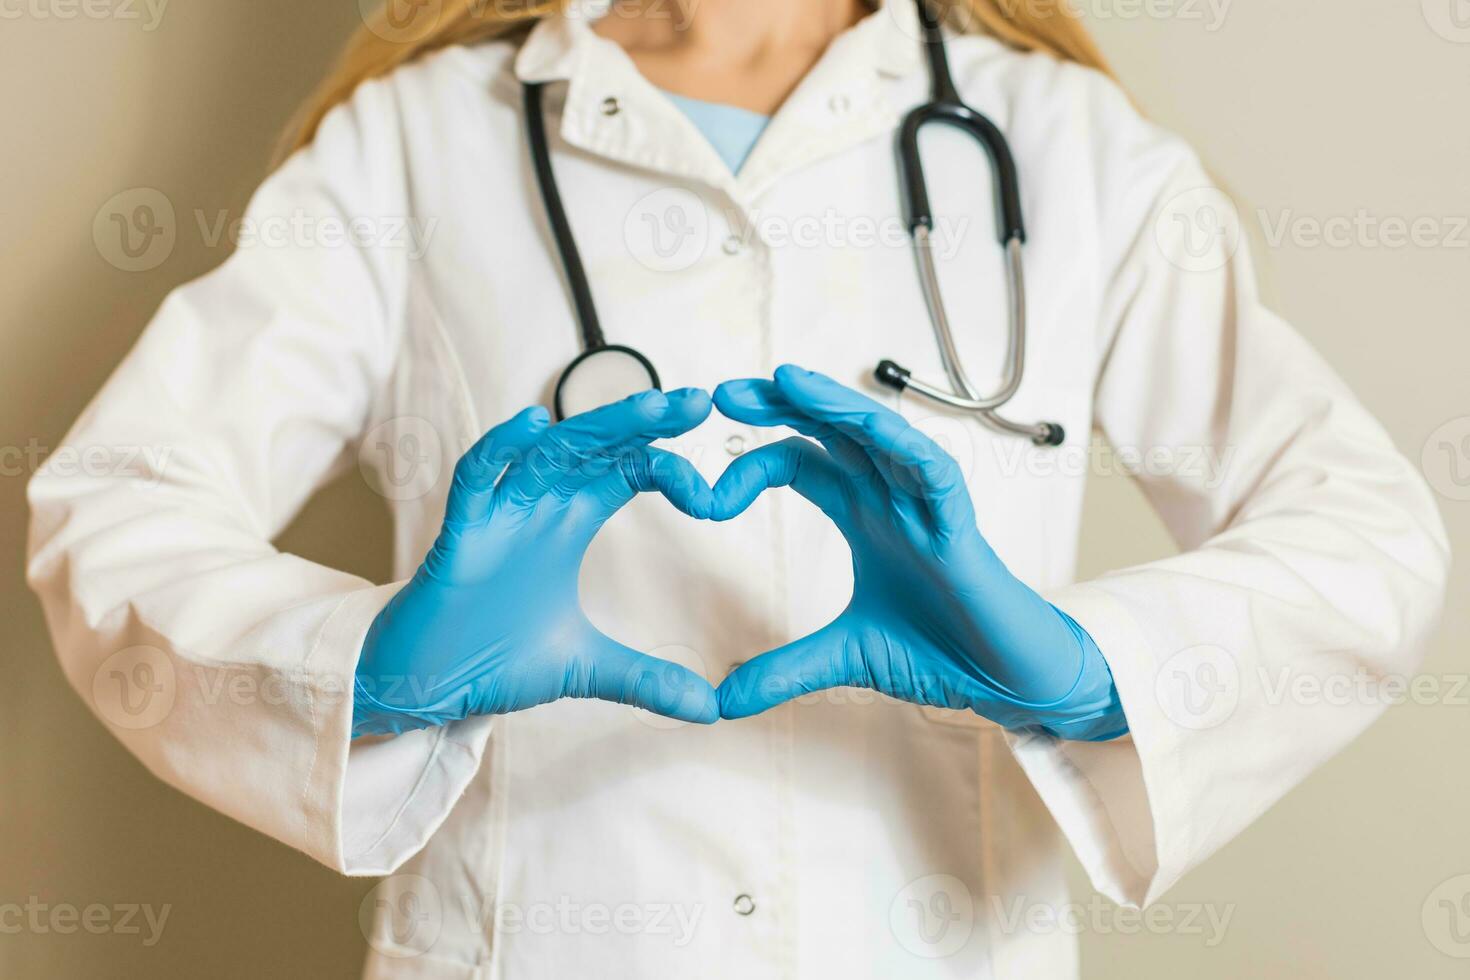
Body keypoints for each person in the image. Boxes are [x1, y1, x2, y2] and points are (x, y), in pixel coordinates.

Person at [27, 0, 1449, 976]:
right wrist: (378, 671)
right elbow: (115, 501)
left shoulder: (1071, 150)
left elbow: (1364, 532)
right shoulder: (415, 142)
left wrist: (1083, 675)